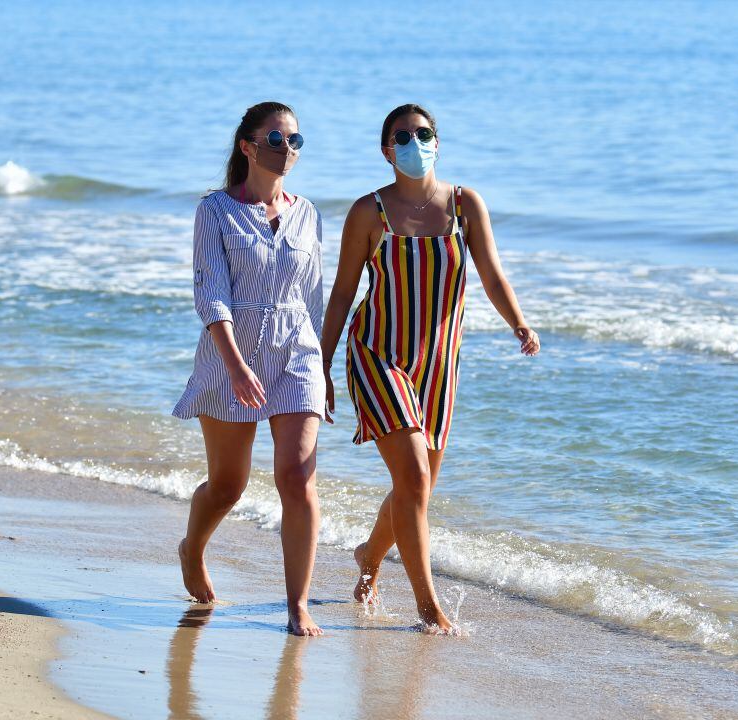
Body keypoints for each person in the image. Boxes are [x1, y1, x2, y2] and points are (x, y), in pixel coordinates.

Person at [319, 103, 540, 634]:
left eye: (423, 134)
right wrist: (321, 366)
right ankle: (428, 609)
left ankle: (367, 558)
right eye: (402, 136)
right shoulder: (368, 213)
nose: (414, 142)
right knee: (414, 479)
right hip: (378, 355)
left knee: (414, 490)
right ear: (386, 149)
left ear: (437, 143)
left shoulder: (465, 205)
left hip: (438, 366)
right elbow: (345, 291)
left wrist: (519, 323)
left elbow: (491, 273)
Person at [172, 101, 327, 636]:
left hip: (295, 354)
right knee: (228, 486)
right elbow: (209, 294)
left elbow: (314, 299)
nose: (288, 150)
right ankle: (192, 549)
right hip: (229, 357)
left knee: (297, 478)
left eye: (296, 141)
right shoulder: (214, 210)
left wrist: (323, 372)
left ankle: (297, 605)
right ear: (248, 146)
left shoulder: (309, 214)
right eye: (277, 139)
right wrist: (235, 365)